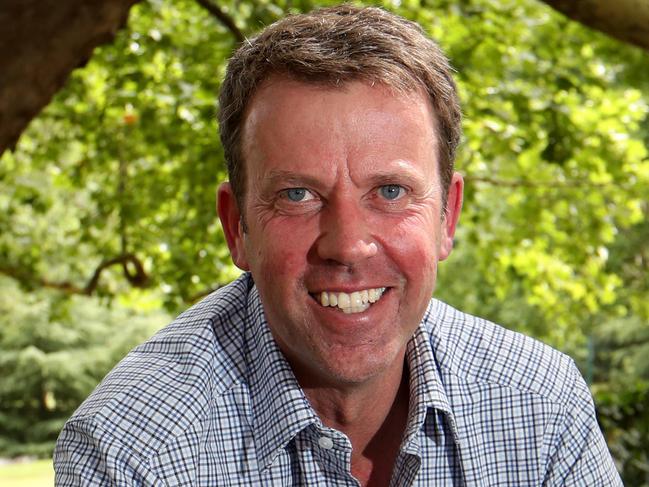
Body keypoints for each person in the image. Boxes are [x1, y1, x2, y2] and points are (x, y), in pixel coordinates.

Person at [54, 5, 622, 486]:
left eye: (391, 191)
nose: (348, 245)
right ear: (236, 228)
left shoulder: (541, 406)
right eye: (298, 194)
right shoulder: (130, 454)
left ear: (447, 215)